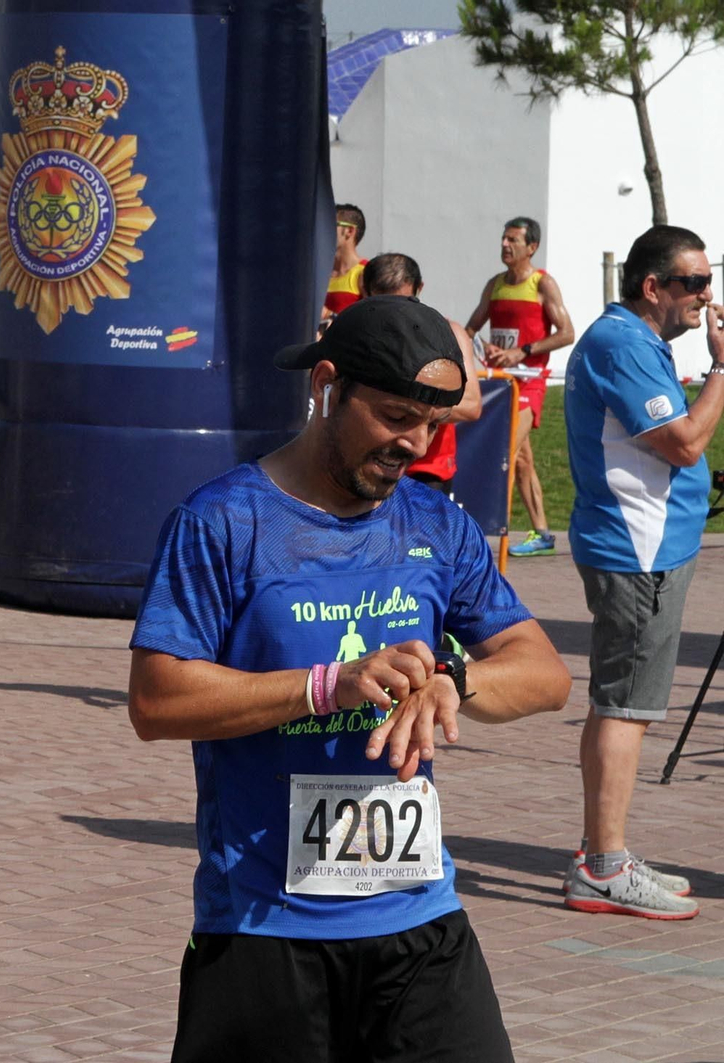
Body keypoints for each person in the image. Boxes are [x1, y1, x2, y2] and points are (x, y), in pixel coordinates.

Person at [129, 295, 570, 1061]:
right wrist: (324, 685)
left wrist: (453, 680)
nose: (415, 443)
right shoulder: (224, 521)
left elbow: (546, 673)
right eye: (397, 415)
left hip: (419, 926)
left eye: (432, 422)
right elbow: (156, 699)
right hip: (265, 932)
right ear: (328, 384)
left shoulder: (435, 525)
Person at [562, 224, 724, 920]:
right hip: (638, 551)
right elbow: (684, 442)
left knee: (618, 701)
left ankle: (606, 849)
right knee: (628, 705)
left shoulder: (635, 341)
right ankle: (604, 865)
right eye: (692, 283)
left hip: (648, 547)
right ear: (652, 287)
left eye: (708, 281)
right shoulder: (621, 343)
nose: (704, 296)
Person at [463, 217, 574, 556]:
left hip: (530, 382)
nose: (505, 245)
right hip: (500, 385)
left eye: (513, 240)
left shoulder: (543, 284)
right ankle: (542, 533)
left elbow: (567, 333)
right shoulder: (495, 284)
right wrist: (478, 351)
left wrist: (520, 351)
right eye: (503, 239)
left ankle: (483, 533)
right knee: (522, 459)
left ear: (532, 247)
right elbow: (470, 330)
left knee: (502, 453)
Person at [363, 251, 483, 496]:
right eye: (385, 305)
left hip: (426, 470)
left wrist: (403, 406)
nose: (397, 314)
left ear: (419, 289)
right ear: (366, 293)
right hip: (368, 464)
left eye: (405, 302)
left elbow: (471, 405)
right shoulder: (355, 336)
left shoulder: (449, 333)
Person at [322, 203, 368, 316]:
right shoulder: (317, 273)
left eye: (330, 224)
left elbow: (371, 321)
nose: (322, 230)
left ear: (349, 231)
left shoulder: (365, 272)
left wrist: (327, 314)